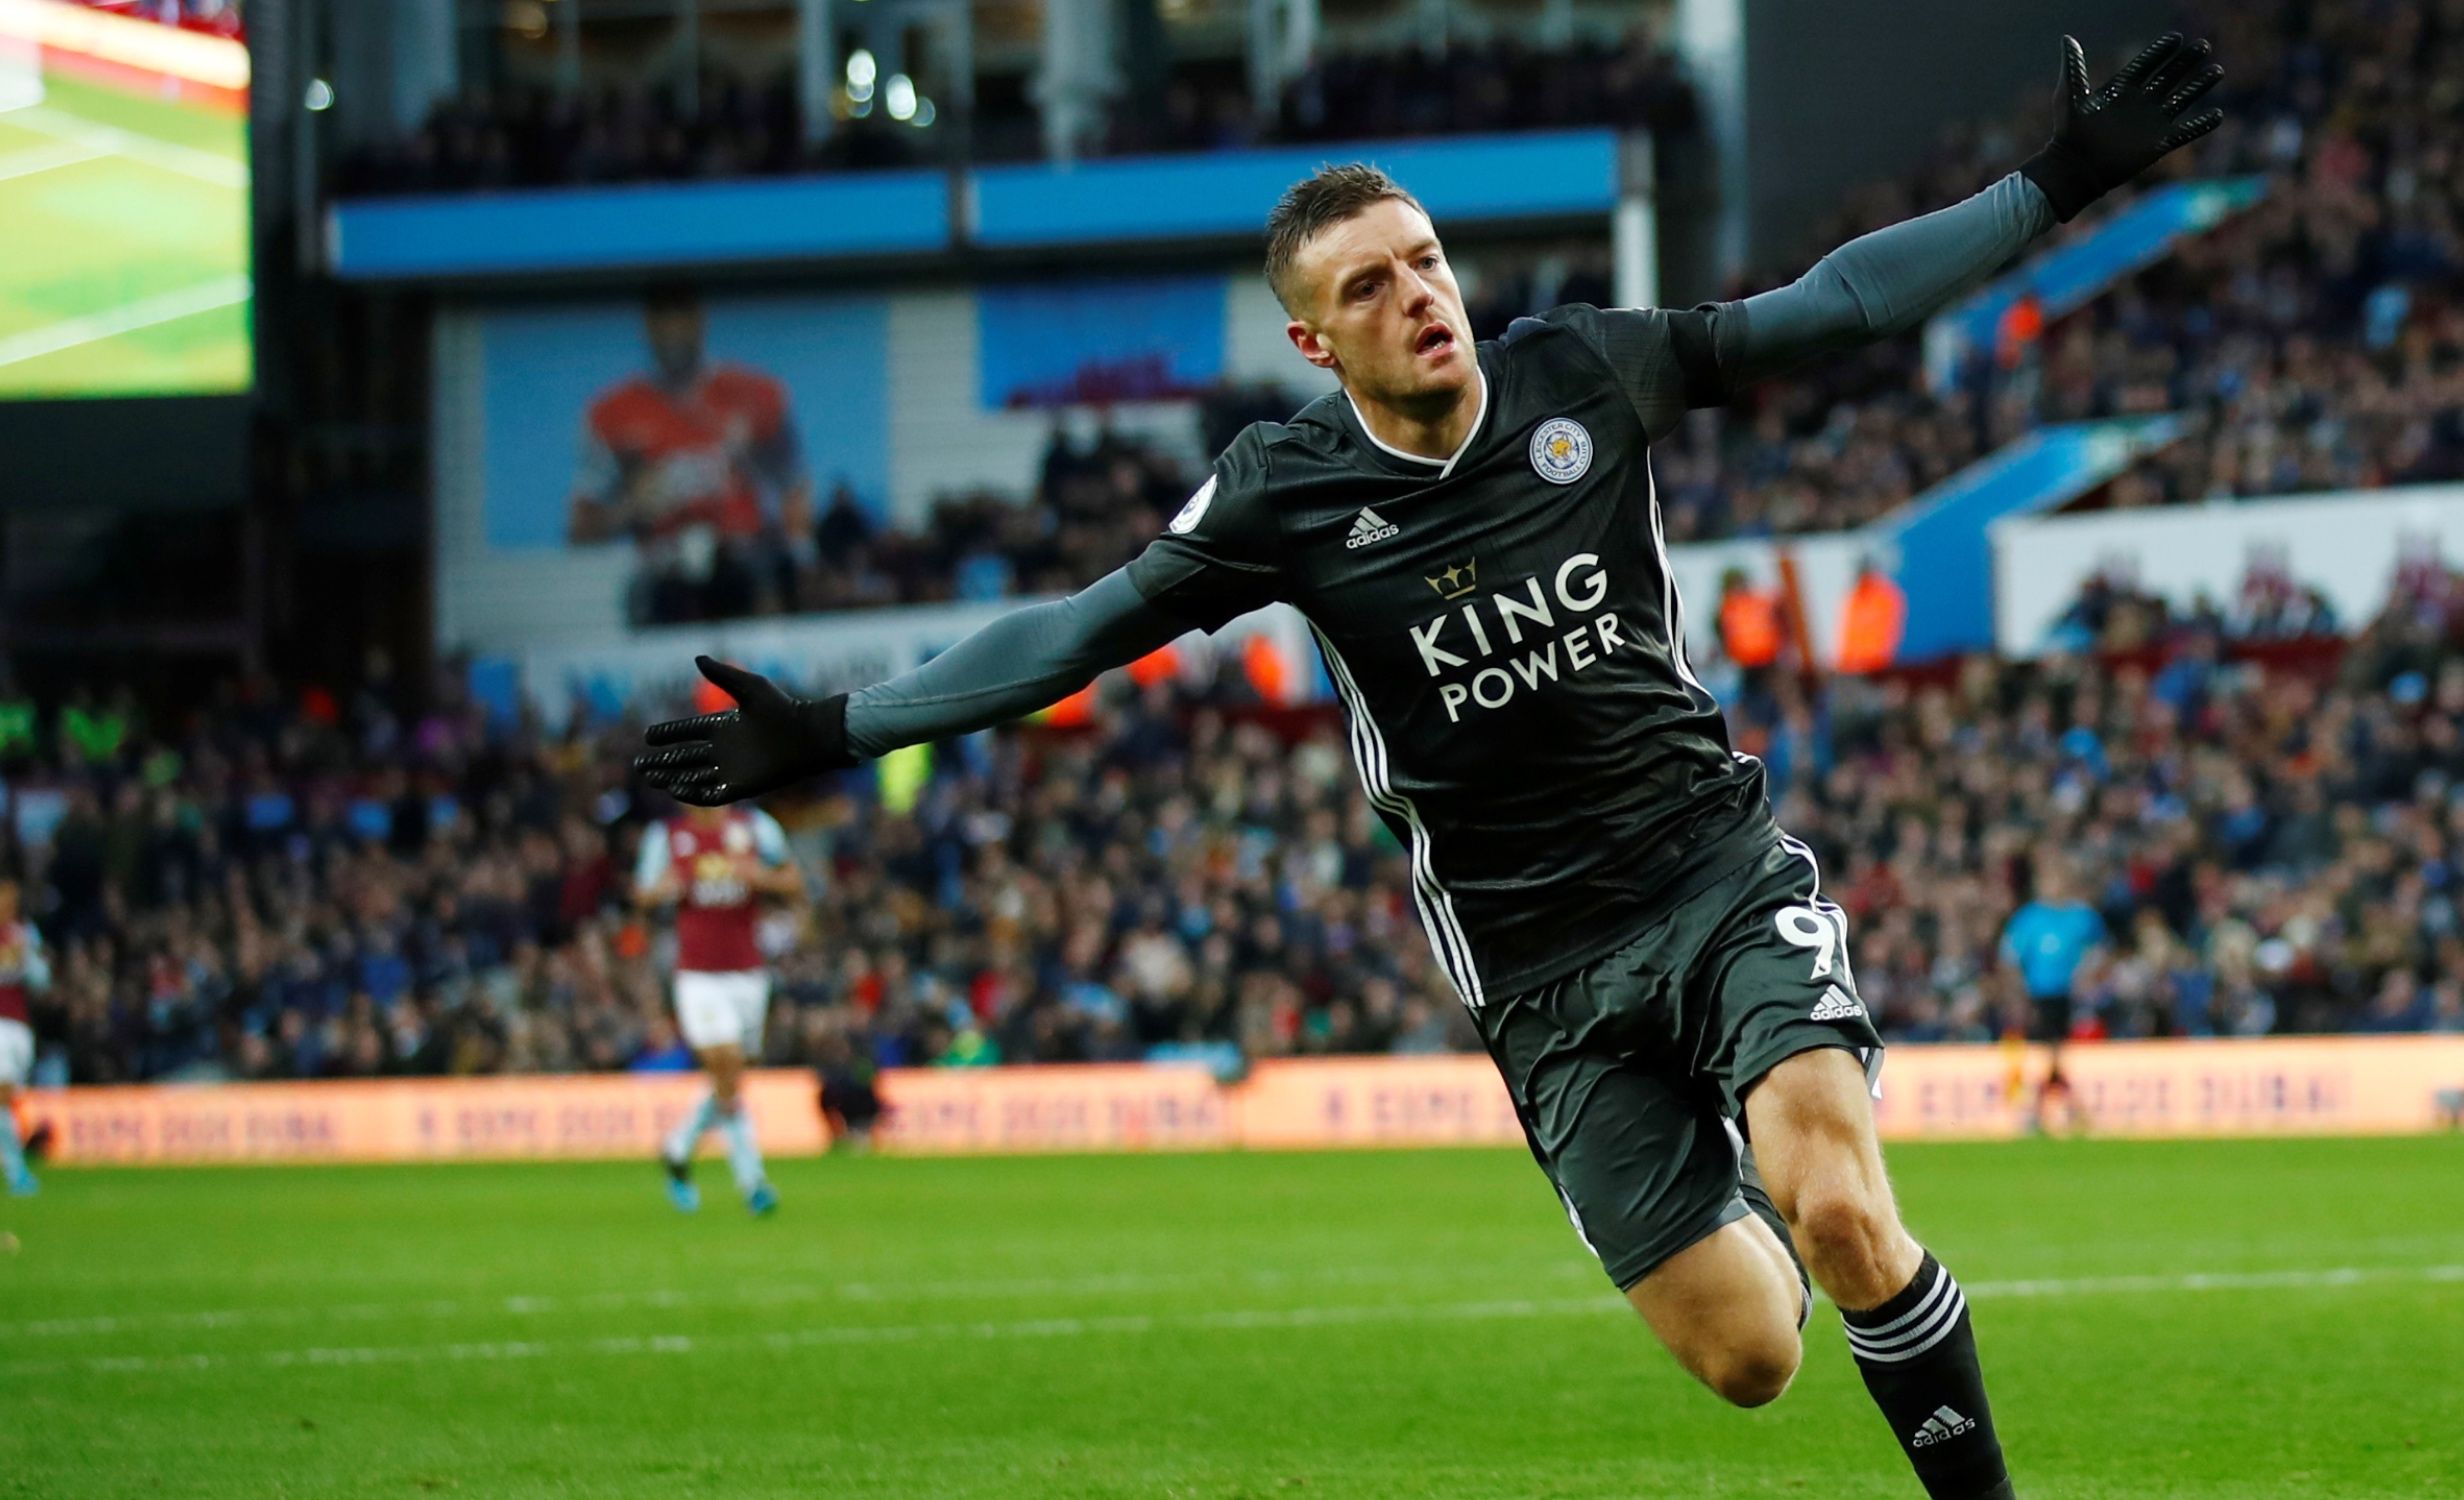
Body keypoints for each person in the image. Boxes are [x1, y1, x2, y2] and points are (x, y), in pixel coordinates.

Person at [634, 34, 2221, 1498]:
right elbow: (1075, 634)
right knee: (1751, 1356)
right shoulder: (1279, 499)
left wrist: (2059, 181)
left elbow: (1836, 305)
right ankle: (1742, 1191)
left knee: (1848, 1207)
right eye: (1375, 284)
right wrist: (835, 732)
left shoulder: (1585, 376)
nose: (1422, 295)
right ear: (1313, 338)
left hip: (1712, 872)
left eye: (1429, 261)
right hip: (1538, 972)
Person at [636, 802, 804, 1214]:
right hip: (698, 975)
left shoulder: (756, 826)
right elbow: (642, 892)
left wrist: (758, 876)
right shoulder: (668, 836)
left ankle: (678, 1146)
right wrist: (664, 889)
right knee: (725, 1060)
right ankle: (753, 1180)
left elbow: (793, 880)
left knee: (731, 1075)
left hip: (748, 974)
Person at [568, 282, 812, 548]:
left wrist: (796, 555)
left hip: (744, 559)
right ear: (647, 325)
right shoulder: (612, 412)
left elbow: (795, 487)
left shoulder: (757, 393)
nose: (673, 327)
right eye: (662, 316)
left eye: (682, 313)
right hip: (662, 566)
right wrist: (632, 508)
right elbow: (581, 528)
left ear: (699, 319)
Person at [2000, 856, 2107, 1134]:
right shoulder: (2029, 918)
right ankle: (2066, 1110)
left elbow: (2101, 951)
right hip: (2040, 995)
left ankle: (2045, 1111)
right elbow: (2010, 959)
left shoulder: (2082, 917)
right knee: (2050, 1053)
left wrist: (2089, 974)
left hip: (2074, 996)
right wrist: (2018, 993)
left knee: (2062, 1053)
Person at [0, 879, 45, 1196]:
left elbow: (41, 979)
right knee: (2, 1099)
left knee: (6, 1099)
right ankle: (17, 1172)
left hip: (18, 1028)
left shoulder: (23, 933)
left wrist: (26, 957)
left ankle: (16, 1168)